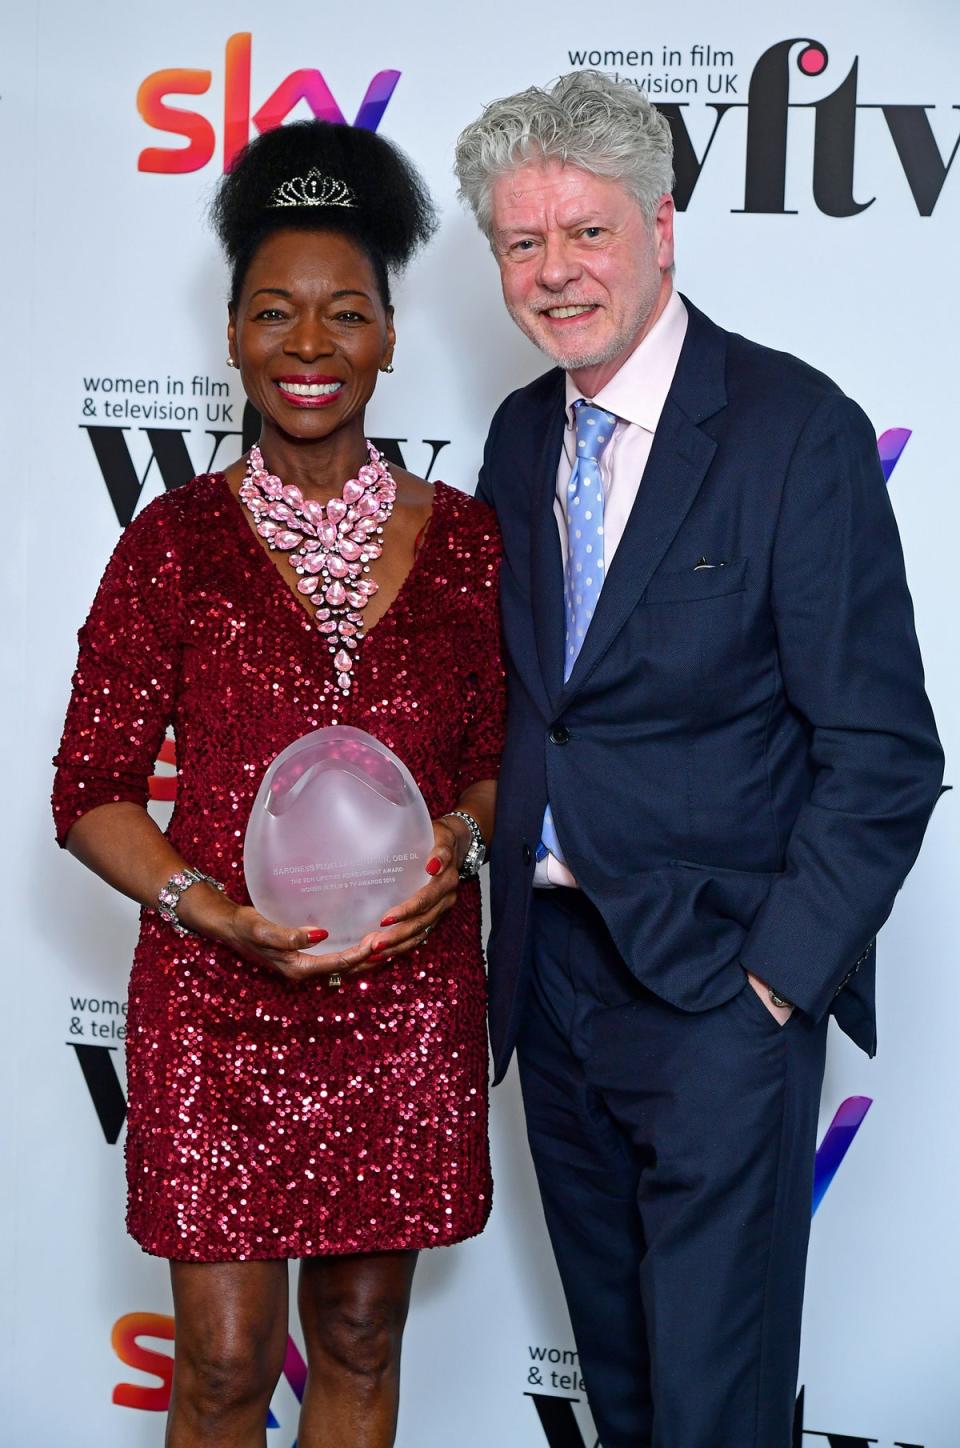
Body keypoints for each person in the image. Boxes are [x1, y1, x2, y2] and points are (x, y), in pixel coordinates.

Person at [455, 71, 944, 1448]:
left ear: (662, 228)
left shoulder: (796, 432)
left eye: (587, 233)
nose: (556, 274)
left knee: (719, 1410)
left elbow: (885, 752)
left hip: (719, 998)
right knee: (625, 1387)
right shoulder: (515, 436)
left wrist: (776, 986)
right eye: (522, 244)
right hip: (547, 988)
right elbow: (539, 708)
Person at [53, 120, 504, 1448]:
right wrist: (208, 908)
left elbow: (492, 763)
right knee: (225, 1365)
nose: (311, 344)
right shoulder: (174, 543)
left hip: (406, 997)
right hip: (218, 1005)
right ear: (236, 337)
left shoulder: (470, 542)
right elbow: (90, 788)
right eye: (276, 313)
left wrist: (460, 851)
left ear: (389, 338)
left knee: (361, 1338)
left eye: (345, 313)